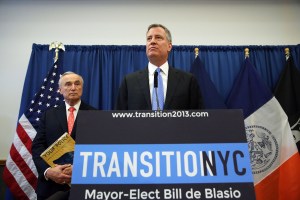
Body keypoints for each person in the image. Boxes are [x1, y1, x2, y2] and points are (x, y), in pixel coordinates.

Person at [32, 72, 95, 200]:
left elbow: (100, 149)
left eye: (77, 84)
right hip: (51, 187)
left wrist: (78, 169)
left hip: (84, 186)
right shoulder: (48, 115)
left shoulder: (95, 115)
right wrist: (48, 171)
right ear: (60, 90)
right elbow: (37, 146)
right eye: (68, 84)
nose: (73, 88)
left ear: (82, 88)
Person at [116, 24, 203, 110]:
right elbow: (119, 119)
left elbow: (198, 118)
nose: (152, 41)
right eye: (149, 38)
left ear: (169, 46)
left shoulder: (188, 81)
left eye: (158, 37)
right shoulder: (129, 82)